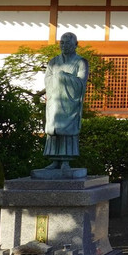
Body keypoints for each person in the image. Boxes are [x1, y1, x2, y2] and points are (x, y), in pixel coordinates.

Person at [43, 32, 89, 168]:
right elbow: (47, 80)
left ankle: (65, 161)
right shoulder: (53, 62)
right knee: (54, 128)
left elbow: (81, 82)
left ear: (76, 45)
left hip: (70, 102)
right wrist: (57, 78)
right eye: (62, 43)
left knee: (68, 130)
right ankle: (54, 160)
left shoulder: (81, 62)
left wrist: (63, 77)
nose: (64, 45)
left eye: (68, 43)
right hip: (55, 101)